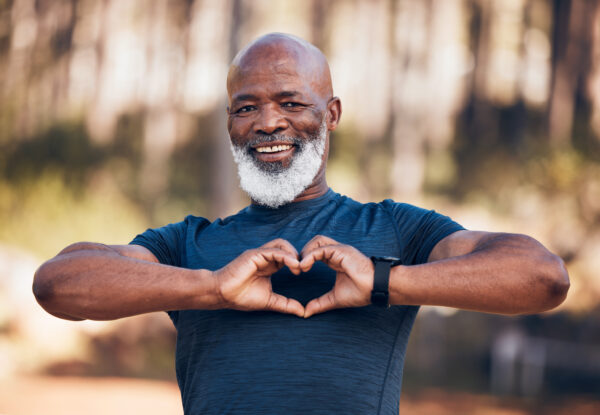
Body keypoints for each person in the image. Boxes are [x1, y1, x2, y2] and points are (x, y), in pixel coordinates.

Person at [33, 33, 569, 414]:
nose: (269, 122)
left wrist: (385, 281)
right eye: (246, 108)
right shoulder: (187, 243)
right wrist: (213, 287)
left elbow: (542, 277)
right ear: (230, 122)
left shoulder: (399, 230)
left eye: (291, 102)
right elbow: (58, 286)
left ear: (331, 114)